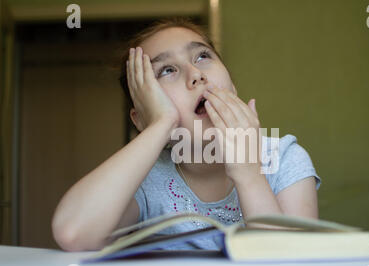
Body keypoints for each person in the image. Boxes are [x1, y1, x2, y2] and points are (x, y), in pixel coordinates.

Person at [51, 17, 322, 252]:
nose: (195, 75)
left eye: (202, 56)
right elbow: (73, 232)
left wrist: (249, 173)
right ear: (141, 118)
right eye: (167, 70)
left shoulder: (286, 159)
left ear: (232, 85)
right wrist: (159, 124)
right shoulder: (146, 179)